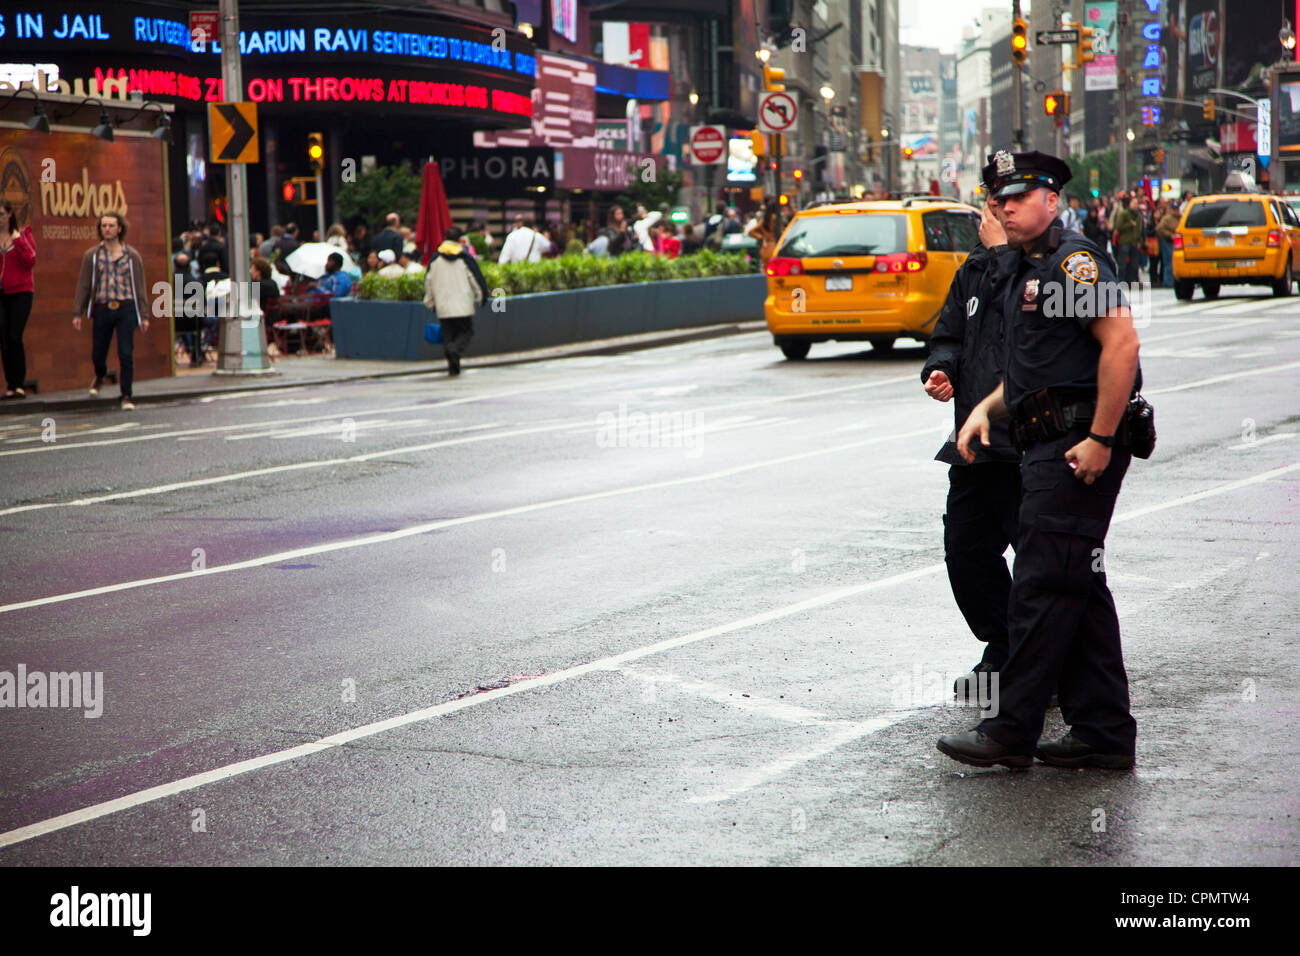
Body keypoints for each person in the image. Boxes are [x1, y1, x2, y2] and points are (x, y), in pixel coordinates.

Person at [937, 149, 1142, 771]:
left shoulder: (1072, 262)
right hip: (1043, 440)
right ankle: (1103, 733)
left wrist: (1102, 438)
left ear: (1052, 200)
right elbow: (1037, 368)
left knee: (1042, 585)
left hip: (1075, 444)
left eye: (1018, 197)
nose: (1004, 207)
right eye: (997, 199)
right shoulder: (1027, 270)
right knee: (1077, 585)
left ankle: (1010, 730)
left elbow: (1121, 344)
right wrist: (986, 409)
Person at [920, 184, 1021, 702]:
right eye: (991, 207)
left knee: (1048, 566)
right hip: (975, 444)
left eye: (1006, 207)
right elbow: (949, 335)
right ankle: (1005, 646)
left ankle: (1044, 663)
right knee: (965, 552)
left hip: (1033, 448)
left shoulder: (1052, 265)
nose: (996, 216)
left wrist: (1005, 253)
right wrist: (940, 369)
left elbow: (1027, 328)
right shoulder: (974, 269)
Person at [72, 212, 150, 410]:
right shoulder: (92, 255)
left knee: (126, 353)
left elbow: (139, 286)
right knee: (98, 353)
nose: (107, 229)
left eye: (111, 225)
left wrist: (144, 315)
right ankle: (100, 374)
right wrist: (77, 312)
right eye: (104, 226)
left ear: (120, 228)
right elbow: (84, 285)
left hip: (126, 307)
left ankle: (126, 396)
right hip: (102, 308)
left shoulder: (131, 256)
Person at [423, 226, 487, 376]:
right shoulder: (464, 257)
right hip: (462, 304)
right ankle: (454, 350)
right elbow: (475, 278)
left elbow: (428, 281)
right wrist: (482, 296)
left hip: (443, 305)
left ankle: (453, 368)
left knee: (448, 335)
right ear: (459, 240)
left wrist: (430, 301)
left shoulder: (435, 258)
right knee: (466, 331)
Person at [0, 200, 37, 398]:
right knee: (3, 337)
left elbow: (30, 260)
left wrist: (17, 239)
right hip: (1, 293)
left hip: (21, 292)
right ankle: (10, 385)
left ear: (9, 215)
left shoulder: (23, 234)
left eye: (1, 214)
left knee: (14, 335)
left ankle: (19, 383)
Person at [1112, 194, 1142, 286]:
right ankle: (1121, 280)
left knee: (1134, 264)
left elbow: (1139, 229)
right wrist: (1130, 224)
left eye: (1137, 204)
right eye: (1134, 203)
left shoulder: (1138, 215)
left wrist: (1139, 241)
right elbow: (1119, 227)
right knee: (1122, 263)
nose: (1135, 205)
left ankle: (1132, 280)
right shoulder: (1124, 214)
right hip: (1125, 241)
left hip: (1134, 241)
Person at [747, 198, 780, 268]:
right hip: (776, 248)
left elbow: (750, 231)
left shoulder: (764, 220)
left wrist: (760, 237)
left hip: (765, 248)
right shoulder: (777, 219)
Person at [1156, 201, 1179, 289]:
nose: (1176, 211)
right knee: (1169, 262)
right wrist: (1170, 235)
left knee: (1174, 262)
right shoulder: (1167, 218)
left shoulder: (1180, 217)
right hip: (1168, 242)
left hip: (1177, 242)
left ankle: (1174, 280)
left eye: (1177, 209)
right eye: (1174, 209)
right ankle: (1168, 281)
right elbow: (1159, 229)